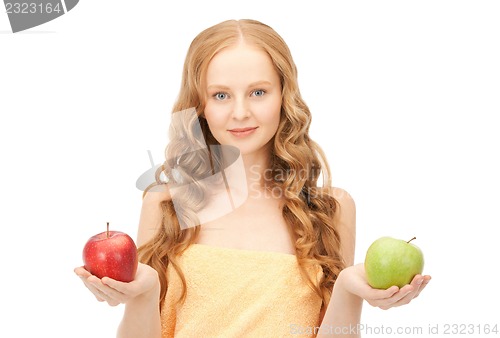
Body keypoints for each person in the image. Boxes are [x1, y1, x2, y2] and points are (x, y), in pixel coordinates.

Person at [75, 19, 431, 338]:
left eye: (258, 92)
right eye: (220, 95)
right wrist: (145, 291)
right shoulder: (166, 204)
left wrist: (349, 290)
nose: (241, 111)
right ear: (200, 105)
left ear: (283, 96)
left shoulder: (330, 209)